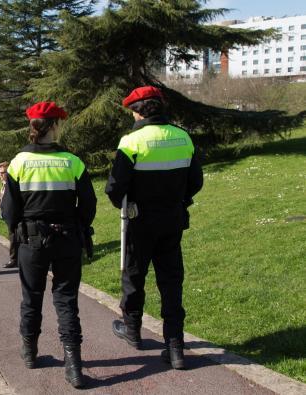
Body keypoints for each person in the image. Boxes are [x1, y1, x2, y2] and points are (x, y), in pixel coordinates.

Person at [105, 86, 203, 370]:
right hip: (172, 219)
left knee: (134, 275)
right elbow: (196, 181)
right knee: (171, 281)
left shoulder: (132, 141)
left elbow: (115, 187)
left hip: (139, 220)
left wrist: (124, 203)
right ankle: (175, 346)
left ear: (137, 111)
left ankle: (133, 330)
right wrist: (180, 199)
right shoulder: (183, 137)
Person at [1, 102, 96, 389]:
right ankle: (74, 367)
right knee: (66, 301)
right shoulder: (72, 162)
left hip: (32, 241)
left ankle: (30, 352)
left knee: (31, 297)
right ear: (55, 125)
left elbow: (8, 210)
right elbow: (89, 204)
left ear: (32, 127)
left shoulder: (18, 163)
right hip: (67, 238)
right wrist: (76, 223)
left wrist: (18, 230)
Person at [0, 161, 19, 268]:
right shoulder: (4, 183)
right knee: (13, 237)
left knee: (14, 238)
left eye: (3, 172)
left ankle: (14, 260)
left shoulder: (12, 184)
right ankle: (16, 258)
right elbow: (4, 195)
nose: (0, 175)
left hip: (14, 216)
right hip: (7, 216)